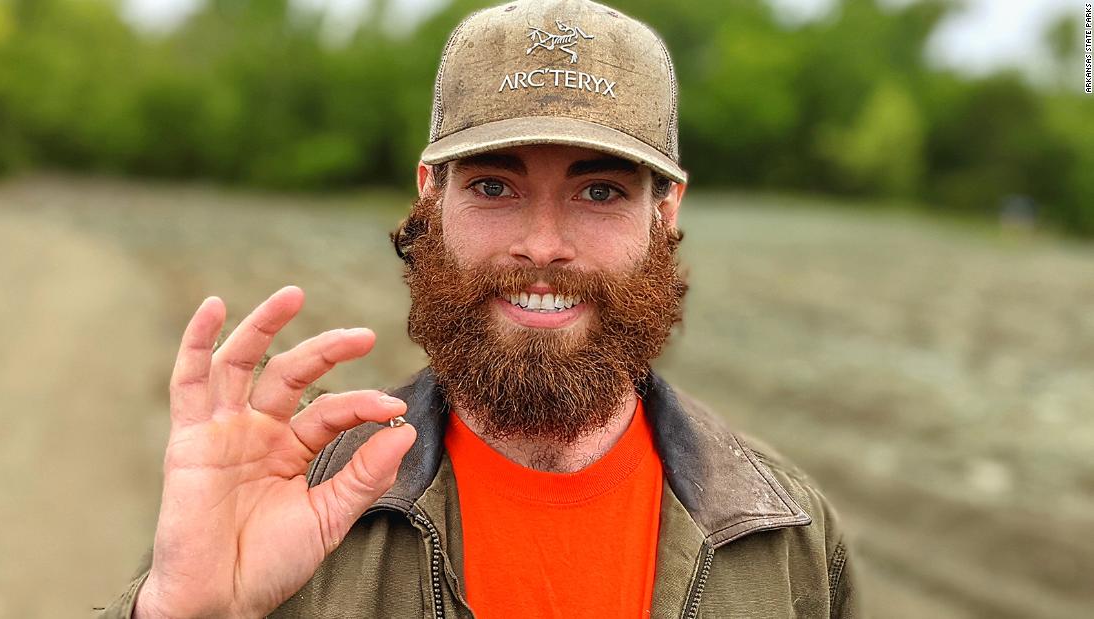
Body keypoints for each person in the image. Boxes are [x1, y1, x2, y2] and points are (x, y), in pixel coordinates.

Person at [104, 0, 859, 616]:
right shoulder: (304, 505)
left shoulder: (786, 535)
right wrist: (179, 611)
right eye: (494, 186)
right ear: (431, 195)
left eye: (601, 191)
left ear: (666, 211)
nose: (542, 245)